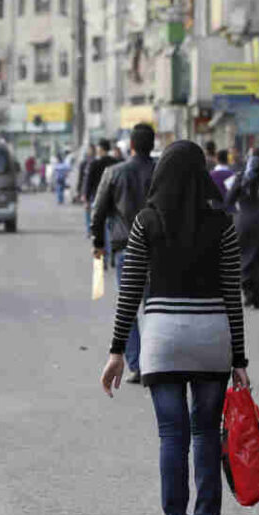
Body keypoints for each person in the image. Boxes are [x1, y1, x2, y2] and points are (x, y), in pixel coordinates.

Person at [98, 140, 248, 515]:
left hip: (162, 340)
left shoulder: (147, 221)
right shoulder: (222, 223)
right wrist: (239, 359)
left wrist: (115, 352)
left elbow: (130, 292)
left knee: (172, 437)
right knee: (205, 434)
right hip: (211, 339)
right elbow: (232, 297)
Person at [91, 124, 157, 385]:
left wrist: (98, 244)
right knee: (155, 308)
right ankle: (155, 363)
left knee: (127, 309)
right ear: (152, 145)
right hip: (159, 249)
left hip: (127, 249)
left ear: (131, 145)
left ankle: (137, 364)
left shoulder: (114, 173)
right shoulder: (161, 172)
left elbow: (98, 213)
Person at [224, 148, 259, 308]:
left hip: (242, 221)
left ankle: (248, 294)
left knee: (244, 257)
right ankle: (258, 295)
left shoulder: (240, 177)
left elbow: (229, 200)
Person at [83, 139, 121, 236]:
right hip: (113, 197)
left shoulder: (94, 164)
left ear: (101, 149)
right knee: (111, 222)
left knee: (99, 222)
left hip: (97, 197)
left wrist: (86, 198)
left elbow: (89, 182)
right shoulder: (116, 162)